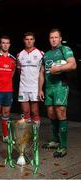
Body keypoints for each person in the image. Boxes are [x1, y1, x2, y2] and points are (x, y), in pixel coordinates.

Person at [39, 28, 77, 157]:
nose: (54, 40)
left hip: (61, 86)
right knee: (51, 113)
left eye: (56, 37)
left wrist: (58, 68)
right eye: (51, 37)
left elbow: (73, 65)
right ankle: (55, 140)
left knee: (60, 112)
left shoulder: (65, 49)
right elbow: (42, 73)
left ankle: (63, 146)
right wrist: (40, 88)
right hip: (49, 87)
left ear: (60, 38)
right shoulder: (46, 54)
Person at [17, 32, 44, 125]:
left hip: (34, 87)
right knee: (25, 112)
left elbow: (42, 72)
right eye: (27, 39)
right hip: (23, 87)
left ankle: (35, 138)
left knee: (35, 112)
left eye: (31, 39)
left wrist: (40, 88)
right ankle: (27, 136)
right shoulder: (19, 55)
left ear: (34, 40)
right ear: (24, 41)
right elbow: (19, 71)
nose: (29, 41)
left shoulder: (40, 54)